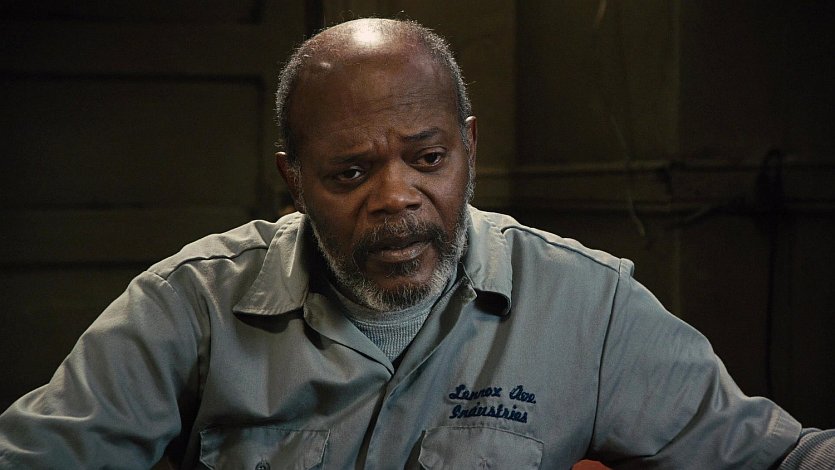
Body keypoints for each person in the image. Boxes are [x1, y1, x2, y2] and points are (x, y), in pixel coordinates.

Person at [0, 18, 832, 469]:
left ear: (468, 146)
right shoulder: (190, 304)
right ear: (294, 178)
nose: (395, 196)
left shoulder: (589, 304)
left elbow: (775, 457)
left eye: (427, 159)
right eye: (350, 171)